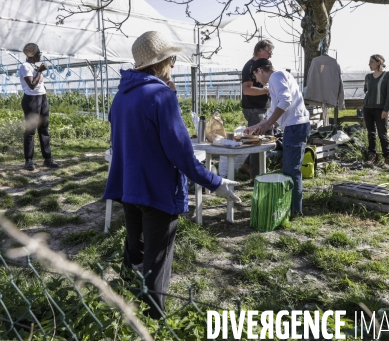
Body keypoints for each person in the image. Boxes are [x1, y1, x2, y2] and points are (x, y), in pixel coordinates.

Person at [103, 31, 240, 319]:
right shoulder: (161, 96)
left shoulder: (121, 96)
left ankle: (123, 311)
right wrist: (216, 183)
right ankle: (154, 321)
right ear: (162, 62)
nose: (174, 65)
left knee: (135, 250)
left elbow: (127, 140)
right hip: (156, 190)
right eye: (173, 59)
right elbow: (180, 153)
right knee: (157, 259)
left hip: (129, 187)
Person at [244, 58, 310, 218]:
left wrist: (268, 125)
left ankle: (295, 210)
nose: (257, 81)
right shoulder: (279, 78)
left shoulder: (276, 76)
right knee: (289, 169)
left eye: (255, 76)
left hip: (295, 126)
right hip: (294, 126)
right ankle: (291, 207)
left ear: (260, 70)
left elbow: (286, 101)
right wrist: (255, 127)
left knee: (291, 170)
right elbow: (275, 109)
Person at [19, 43, 58, 170]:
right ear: (32, 55)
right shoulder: (25, 66)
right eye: (39, 53)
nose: (40, 54)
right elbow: (31, 85)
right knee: (31, 131)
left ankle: (48, 159)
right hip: (31, 99)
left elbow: (39, 84)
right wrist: (40, 71)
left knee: (44, 129)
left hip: (42, 98)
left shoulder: (33, 66)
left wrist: (43, 88)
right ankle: (29, 160)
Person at [239, 40, 273, 177]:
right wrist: (266, 90)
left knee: (265, 139)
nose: (270, 55)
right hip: (254, 109)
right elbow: (247, 90)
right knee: (257, 141)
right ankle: (256, 177)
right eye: (268, 52)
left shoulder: (264, 65)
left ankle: (248, 166)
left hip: (262, 108)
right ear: (260, 50)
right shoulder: (250, 66)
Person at [363, 54, 389, 166]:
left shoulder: (388, 75)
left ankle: (387, 157)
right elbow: (365, 89)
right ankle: (372, 155)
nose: (369, 64)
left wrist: (386, 109)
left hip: (381, 109)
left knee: (382, 133)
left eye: (371, 62)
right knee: (370, 133)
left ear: (378, 62)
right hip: (367, 108)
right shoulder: (368, 76)